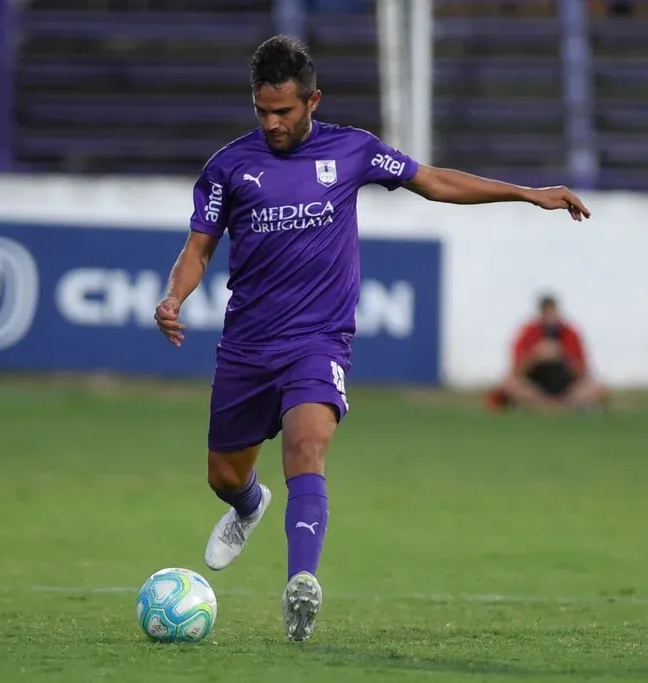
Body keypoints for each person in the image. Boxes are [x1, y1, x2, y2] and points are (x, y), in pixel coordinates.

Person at [153, 35, 590, 642]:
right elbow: (198, 248)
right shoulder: (228, 167)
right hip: (248, 346)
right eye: (263, 111)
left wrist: (524, 193)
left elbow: (433, 180)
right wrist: (174, 297)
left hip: (318, 341)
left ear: (313, 101)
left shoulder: (352, 150)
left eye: (284, 111)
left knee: (307, 448)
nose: (273, 123)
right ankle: (249, 505)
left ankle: (300, 586)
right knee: (224, 477)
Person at [487, 294, 610, 412]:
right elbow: (516, 372)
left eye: (552, 312)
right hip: (536, 387)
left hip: (566, 387)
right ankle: (550, 406)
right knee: (509, 384)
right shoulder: (528, 332)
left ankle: (552, 407)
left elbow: (583, 373)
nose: (550, 317)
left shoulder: (570, 333)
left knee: (598, 387)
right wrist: (535, 356)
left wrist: (562, 355)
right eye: (546, 313)